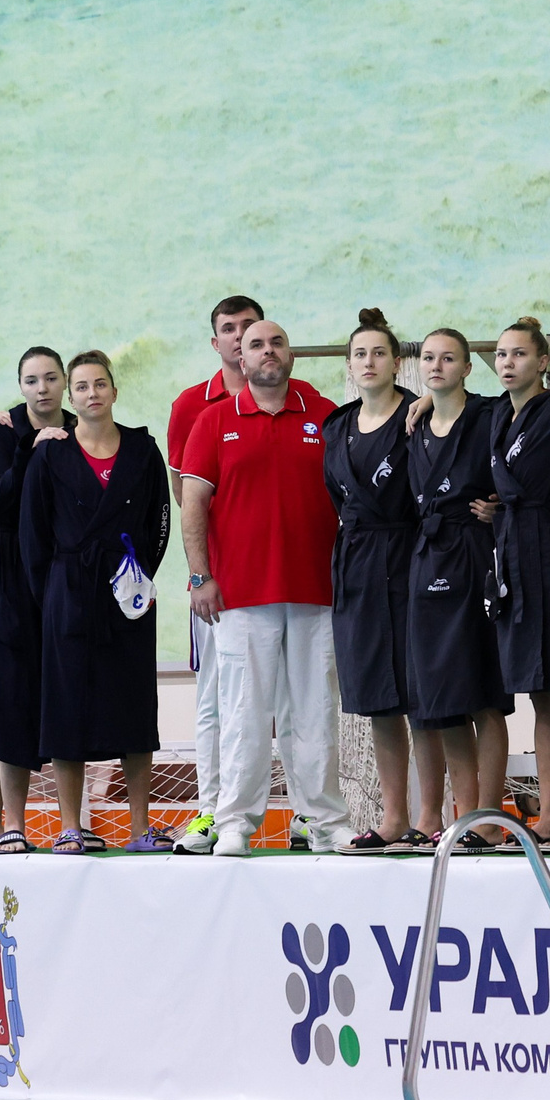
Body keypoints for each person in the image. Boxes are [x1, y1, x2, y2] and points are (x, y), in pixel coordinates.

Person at [178, 318, 354, 854]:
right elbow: (193, 506)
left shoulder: (325, 415)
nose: (267, 351)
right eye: (256, 344)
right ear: (239, 356)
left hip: (316, 593)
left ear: (290, 354)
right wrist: (200, 576)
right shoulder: (212, 422)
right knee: (243, 713)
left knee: (316, 714)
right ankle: (234, 822)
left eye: (276, 342)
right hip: (239, 596)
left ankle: (324, 821)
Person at [21, 351, 171, 852]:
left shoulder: (143, 449)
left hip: (126, 591)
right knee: (66, 706)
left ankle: (137, 827)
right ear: (70, 393)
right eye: (81, 386)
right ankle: (69, 825)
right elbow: (33, 533)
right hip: (68, 590)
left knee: (133, 705)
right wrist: (53, 591)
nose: (91, 394)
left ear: (114, 390)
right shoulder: (51, 453)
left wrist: (139, 574)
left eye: (100, 384)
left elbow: (158, 521)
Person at [405, 329, 513, 847]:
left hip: (475, 557)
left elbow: (547, 404)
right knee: (444, 697)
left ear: (470, 366)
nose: (437, 366)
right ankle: (464, 815)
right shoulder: (417, 422)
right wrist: (429, 401)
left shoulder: (492, 414)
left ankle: (490, 818)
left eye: (449, 358)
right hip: (428, 563)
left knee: (484, 696)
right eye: (429, 358)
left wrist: (502, 510)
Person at [165, 294, 264, 853]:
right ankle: (209, 811)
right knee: (216, 701)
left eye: (249, 327)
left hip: (277, 583)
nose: (239, 337)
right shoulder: (190, 407)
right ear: (217, 342)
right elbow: (188, 498)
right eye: (229, 329)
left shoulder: (294, 400)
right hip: (217, 584)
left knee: (285, 702)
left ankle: (296, 811)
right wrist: (204, 574)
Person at [325, 311, 424, 852]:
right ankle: (394, 816)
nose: (369, 362)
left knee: (423, 694)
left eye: (379, 353)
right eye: (360, 354)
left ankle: (431, 814)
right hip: (358, 561)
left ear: (396, 362)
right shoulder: (338, 425)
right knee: (378, 699)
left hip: (410, 556)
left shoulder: (419, 416)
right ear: (349, 364)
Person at [489, 319, 550, 846]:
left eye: (520, 354)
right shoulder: (496, 415)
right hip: (515, 559)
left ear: (543, 361)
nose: (508, 363)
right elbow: (447, 407)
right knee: (543, 693)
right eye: (501, 354)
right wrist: (417, 403)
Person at [0, 349, 74, 847]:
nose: (42, 389)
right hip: (12, 571)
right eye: (32, 380)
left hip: (61, 571)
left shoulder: (80, 426)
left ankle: (70, 824)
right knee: (11, 698)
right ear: (20, 385)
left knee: (61, 695)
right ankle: (13, 822)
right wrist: (29, 449)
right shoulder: (0, 430)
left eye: (51, 378)